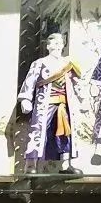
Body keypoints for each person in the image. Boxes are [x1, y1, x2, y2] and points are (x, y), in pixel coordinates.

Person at [18, 31, 84, 175]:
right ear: (48, 46)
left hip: (64, 105)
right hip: (44, 104)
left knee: (65, 133)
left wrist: (82, 99)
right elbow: (30, 80)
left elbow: (76, 82)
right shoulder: (40, 63)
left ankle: (65, 165)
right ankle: (30, 165)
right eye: (54, 42)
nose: (57, 44)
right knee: (37, 131)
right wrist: (25, 99)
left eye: (60, 42)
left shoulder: (68, 64)